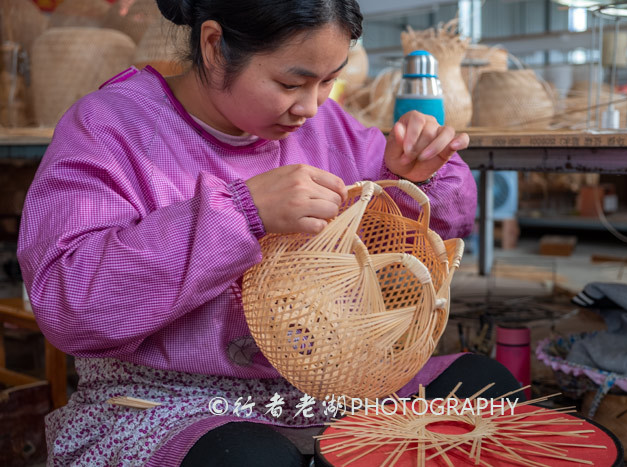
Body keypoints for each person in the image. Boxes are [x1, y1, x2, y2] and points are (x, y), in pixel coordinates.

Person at [18, 0, 520, 465]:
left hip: (325, 387)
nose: (311, 106)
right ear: (215, 47)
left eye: (329, 81)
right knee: (252, 460)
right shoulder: (111, 127)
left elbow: (443, 229)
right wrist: (243, 213)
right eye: (291, 82)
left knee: (485, 391)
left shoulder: (330, 128)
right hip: (168, 399)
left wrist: (416, 173)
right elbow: (69, 301)